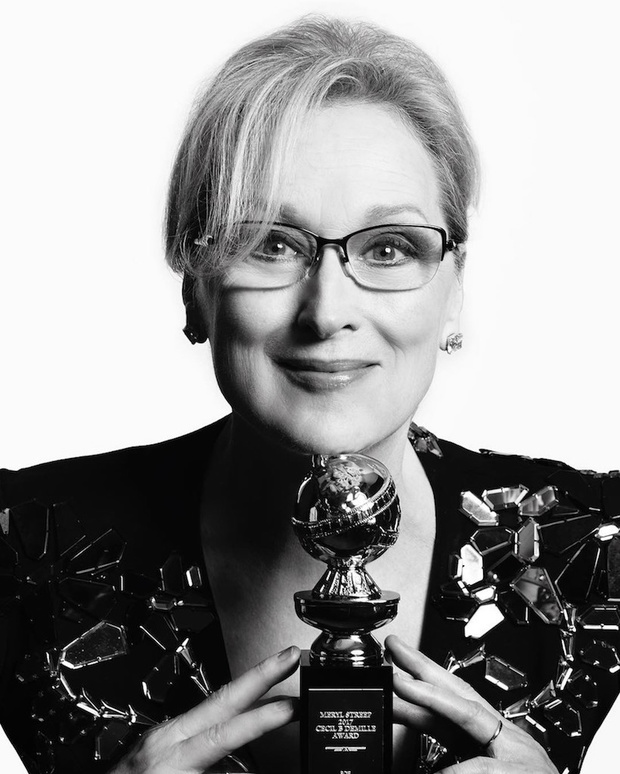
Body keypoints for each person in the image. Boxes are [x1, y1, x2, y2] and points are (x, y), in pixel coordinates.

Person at [1, 13, 618, 774]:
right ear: (195, 289)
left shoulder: (593, 552)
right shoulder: (25, 550)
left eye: (389, 247)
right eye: (271, 244)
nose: (327, 312)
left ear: (454, 291)